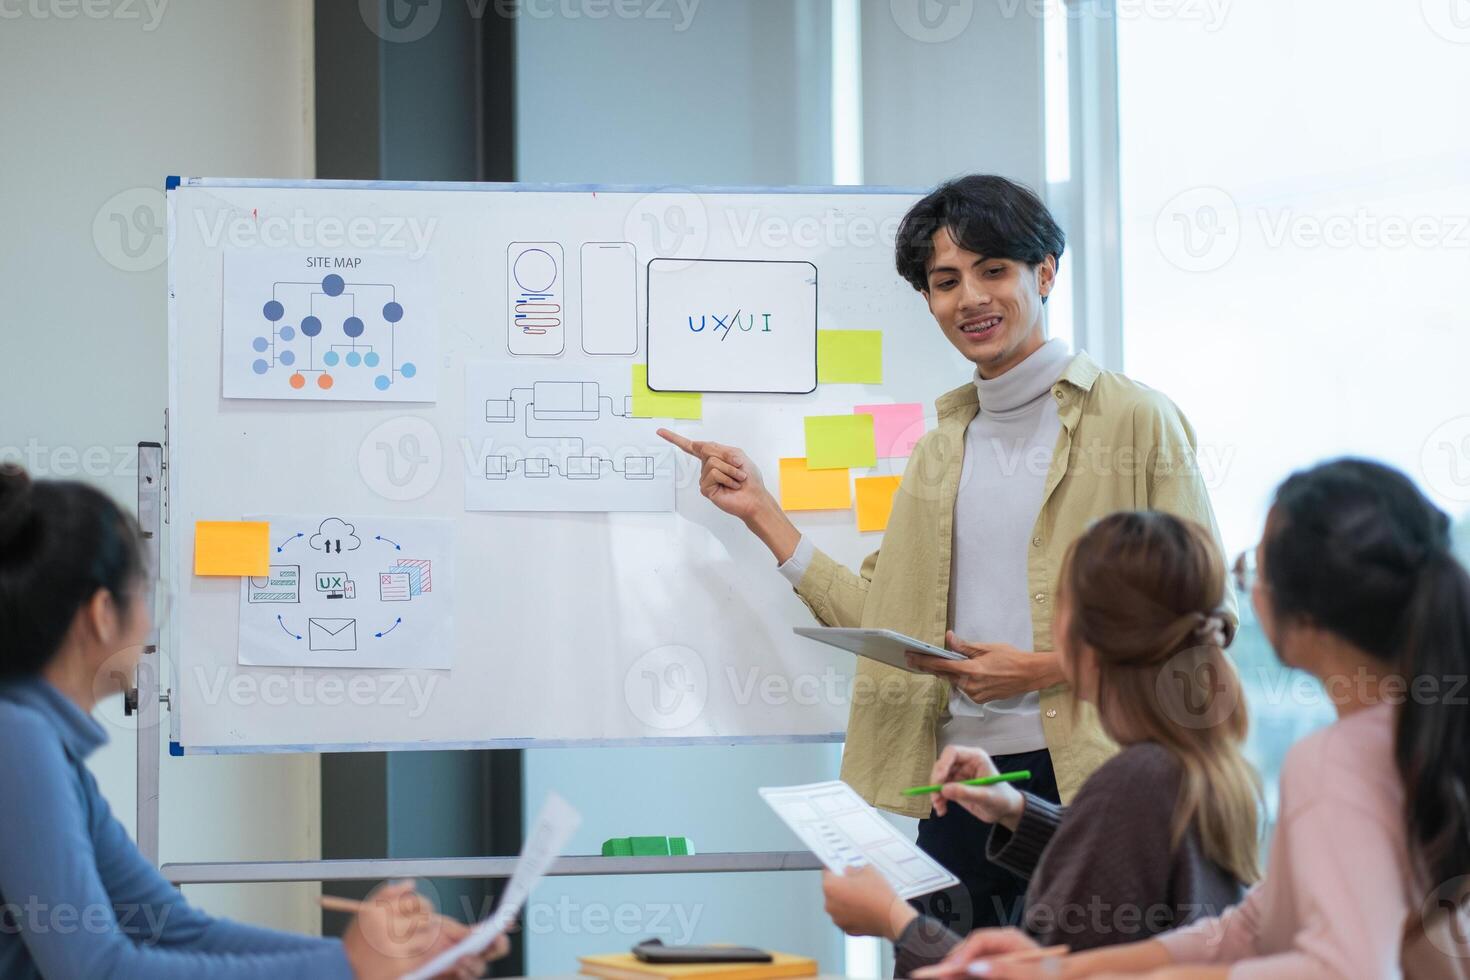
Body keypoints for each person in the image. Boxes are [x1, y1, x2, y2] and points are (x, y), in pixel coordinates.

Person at [659, 174, 1235, 932]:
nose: (970, 299)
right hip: (959, 785)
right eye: (945, 282)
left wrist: (1042, 668)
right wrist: (760, 512)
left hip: (1098, 772)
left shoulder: (1136, 420)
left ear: (1047, 272)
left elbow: (1207, 621)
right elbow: (887, 618)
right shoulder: (940, 449)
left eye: (993, 270)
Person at [936, 459, 1470, 979]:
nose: (1247, 587)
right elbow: (1251, 928)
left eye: (1256, 568)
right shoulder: (1416, 739)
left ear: (1307, 611)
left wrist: (895, 920)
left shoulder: (1336, 762)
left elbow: (1345, 968)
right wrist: (1061, 968)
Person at [0, 464, 508, 979]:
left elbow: (172, 927)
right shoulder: (19, 741)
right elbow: (98, 971)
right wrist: (345, 967)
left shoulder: (38, 743)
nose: (152, 625)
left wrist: (386, 962)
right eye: (146, 597)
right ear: (103, 612)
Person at [820, 511, 1259, 973]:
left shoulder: (1132, 783)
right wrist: (1015, 811)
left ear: (1081, 640)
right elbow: (1119, 862)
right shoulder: (1200, 769)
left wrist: (895, 919)